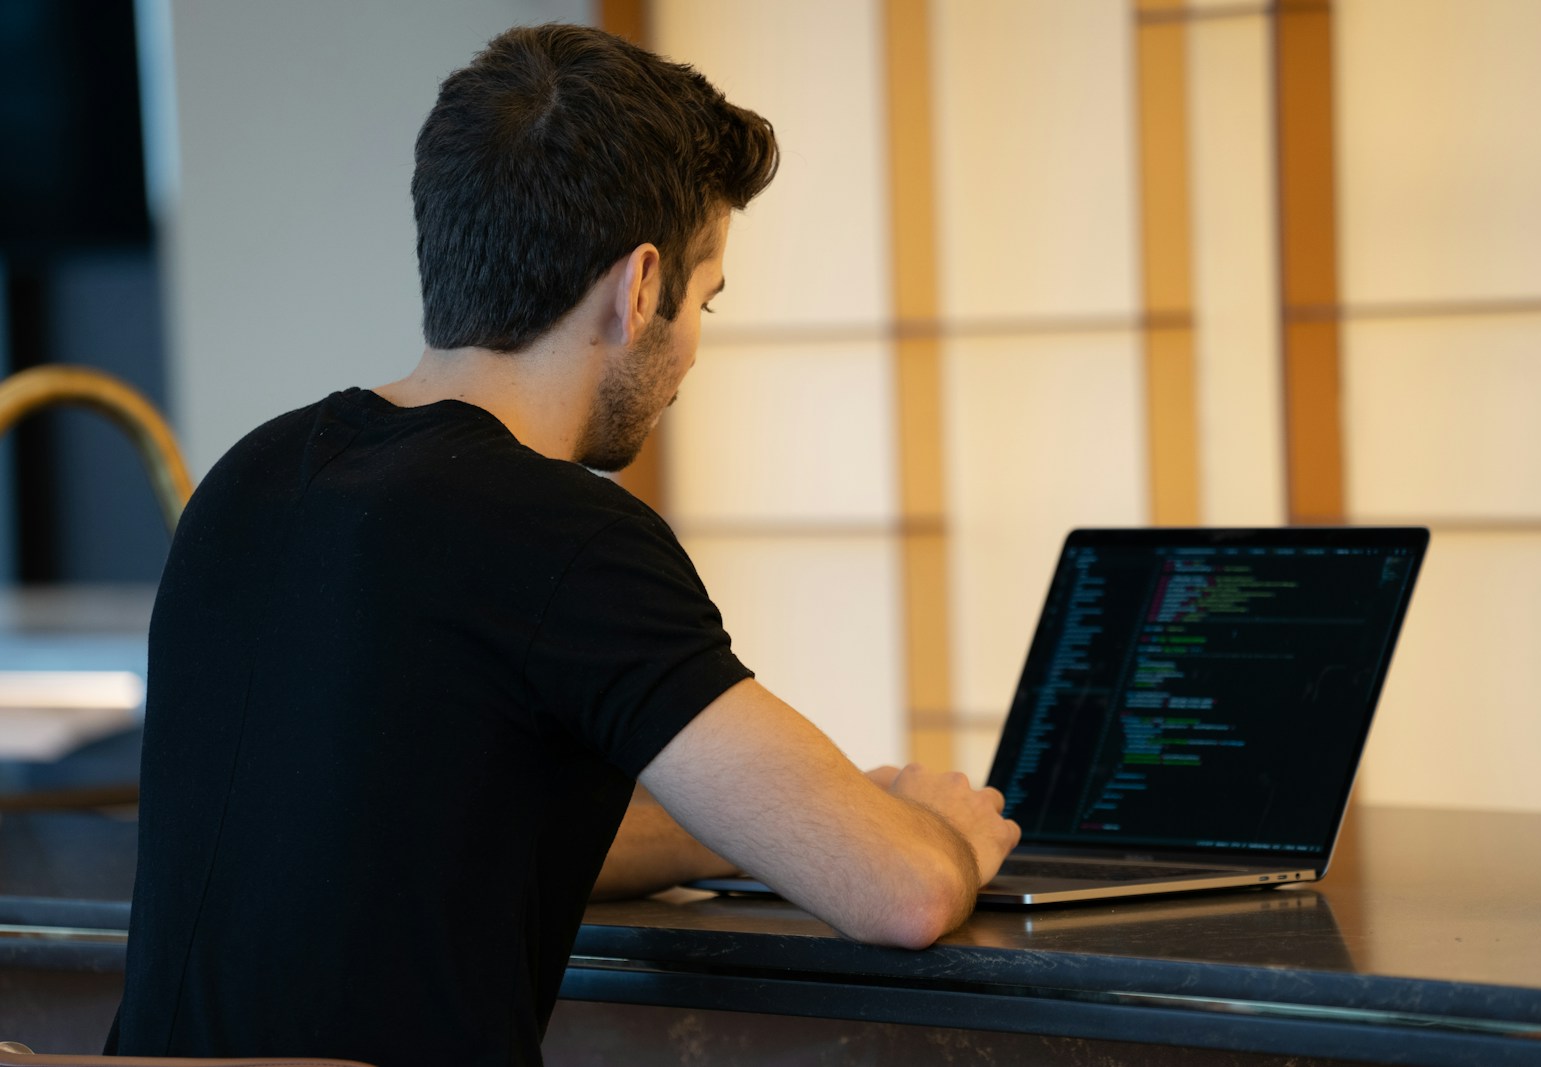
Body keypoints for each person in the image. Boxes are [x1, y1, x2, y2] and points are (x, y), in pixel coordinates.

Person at [107, 23, 1019, 1067]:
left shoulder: (256, 475)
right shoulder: (562, 534)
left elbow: (439, 824)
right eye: (705, 297)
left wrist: (783, 825)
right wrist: (940, 827)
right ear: (639, 288)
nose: (691, 353)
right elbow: (901, 892)